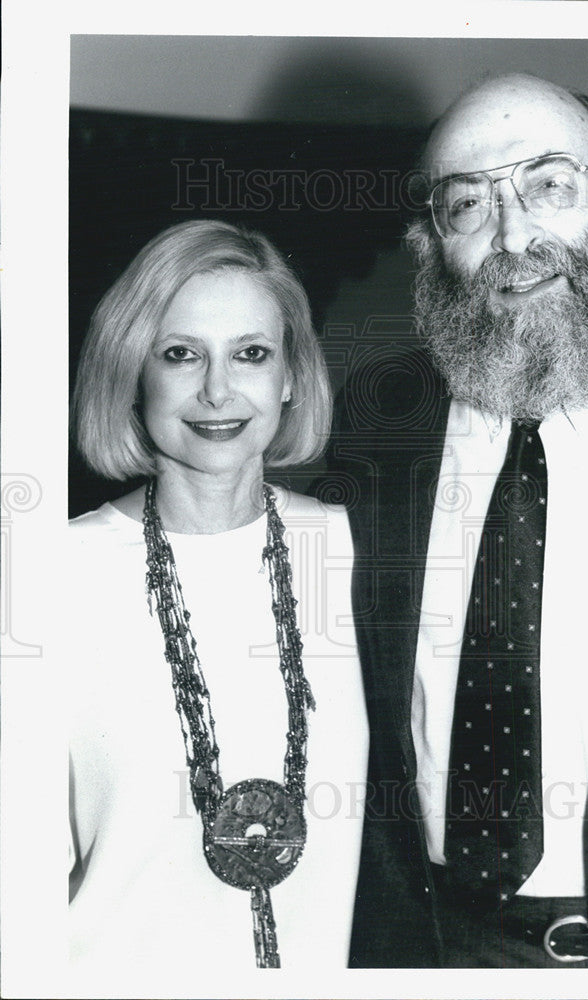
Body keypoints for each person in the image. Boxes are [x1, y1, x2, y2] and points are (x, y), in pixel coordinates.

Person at [328, 73, 588, 968]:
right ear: (432, 243)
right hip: (417, 951)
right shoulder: (375, 423)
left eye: (549, 184)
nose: (514, 237)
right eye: (467, 203)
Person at [68, 220, 367, 987]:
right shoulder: (47, 571)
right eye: (180, 354)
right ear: (133, 372)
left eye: (251, 354)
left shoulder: (355, 553)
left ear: (292, 375)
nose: (217, 390)